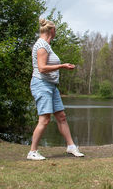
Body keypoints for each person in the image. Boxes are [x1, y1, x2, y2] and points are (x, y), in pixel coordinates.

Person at [27, 18, 84, 160]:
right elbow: (42, 68)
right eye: (56, 30)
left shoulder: (47, 45)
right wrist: (62, 66)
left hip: (51, 86)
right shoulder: (41, 46)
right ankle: (32, 151)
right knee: (45, 119)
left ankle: (71, 147)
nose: (56, 32)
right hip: (41, 84)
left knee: (61, 116)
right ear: (51, 30)